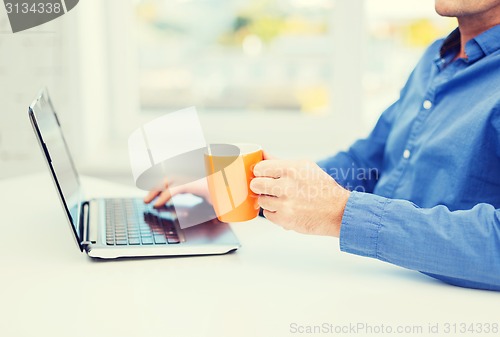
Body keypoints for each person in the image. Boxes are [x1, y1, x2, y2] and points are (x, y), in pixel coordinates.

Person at [146, 0, 500, 291]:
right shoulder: (434, 60)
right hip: (388, 282)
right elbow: (368, 160)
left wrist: (340, 213)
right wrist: (245, 187)